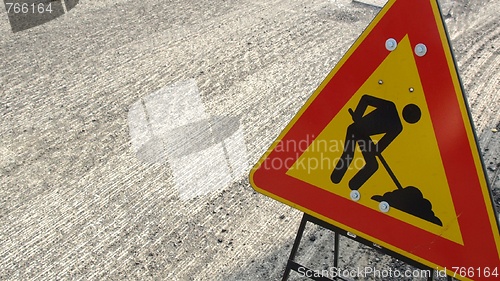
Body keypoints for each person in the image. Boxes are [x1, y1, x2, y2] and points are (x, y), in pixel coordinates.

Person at [331, 94, 421, 190]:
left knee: (372, 165)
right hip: (355, 129)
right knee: (348, 154)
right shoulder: (390, 107)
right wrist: (358, 115)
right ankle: (336, 178)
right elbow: (366, 99)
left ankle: (353, 186)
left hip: (363, 135)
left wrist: (375, 149)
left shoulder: (398, 127)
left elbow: (380, 146)